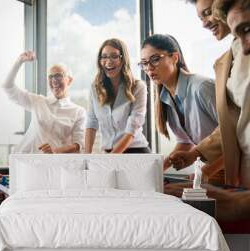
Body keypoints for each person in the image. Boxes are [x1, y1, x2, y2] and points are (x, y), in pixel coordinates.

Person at [171, 0, 250, 188]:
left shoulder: (201, 86)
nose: (204, 23)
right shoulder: (228, 59)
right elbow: (232, 122)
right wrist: (195, 153)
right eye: (200, 18)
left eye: (207, 13)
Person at [140, 34, 218, 171]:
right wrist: (158, 170)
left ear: (175, 58)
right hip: (214, 167)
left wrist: (206, 171)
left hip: (234, 165)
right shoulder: (166, 97)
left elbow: (235, 134)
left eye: (155, 59)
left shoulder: (202, 87)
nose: (149, 68)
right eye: (144, 63)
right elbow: (185, 141)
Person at [2, 51, 86, 154]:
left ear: (70, 80)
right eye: (51, 77)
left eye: (59, 76)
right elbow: (7, 87)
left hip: (56, 165)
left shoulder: (79, 112)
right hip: (29, 161)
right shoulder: (38, 101)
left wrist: (55, 151)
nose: (54, 80)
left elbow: (79, 144)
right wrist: (19, 61)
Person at [85, 38, 150, 154]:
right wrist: (86, 157)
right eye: (104, 57)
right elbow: (91, 122)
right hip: (108, 153)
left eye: (114, 56)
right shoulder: (95, 88)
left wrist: (111, 159)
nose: (108, 61)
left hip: (135, 152)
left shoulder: (138, 87)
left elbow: (133, 127)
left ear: (123, 59)